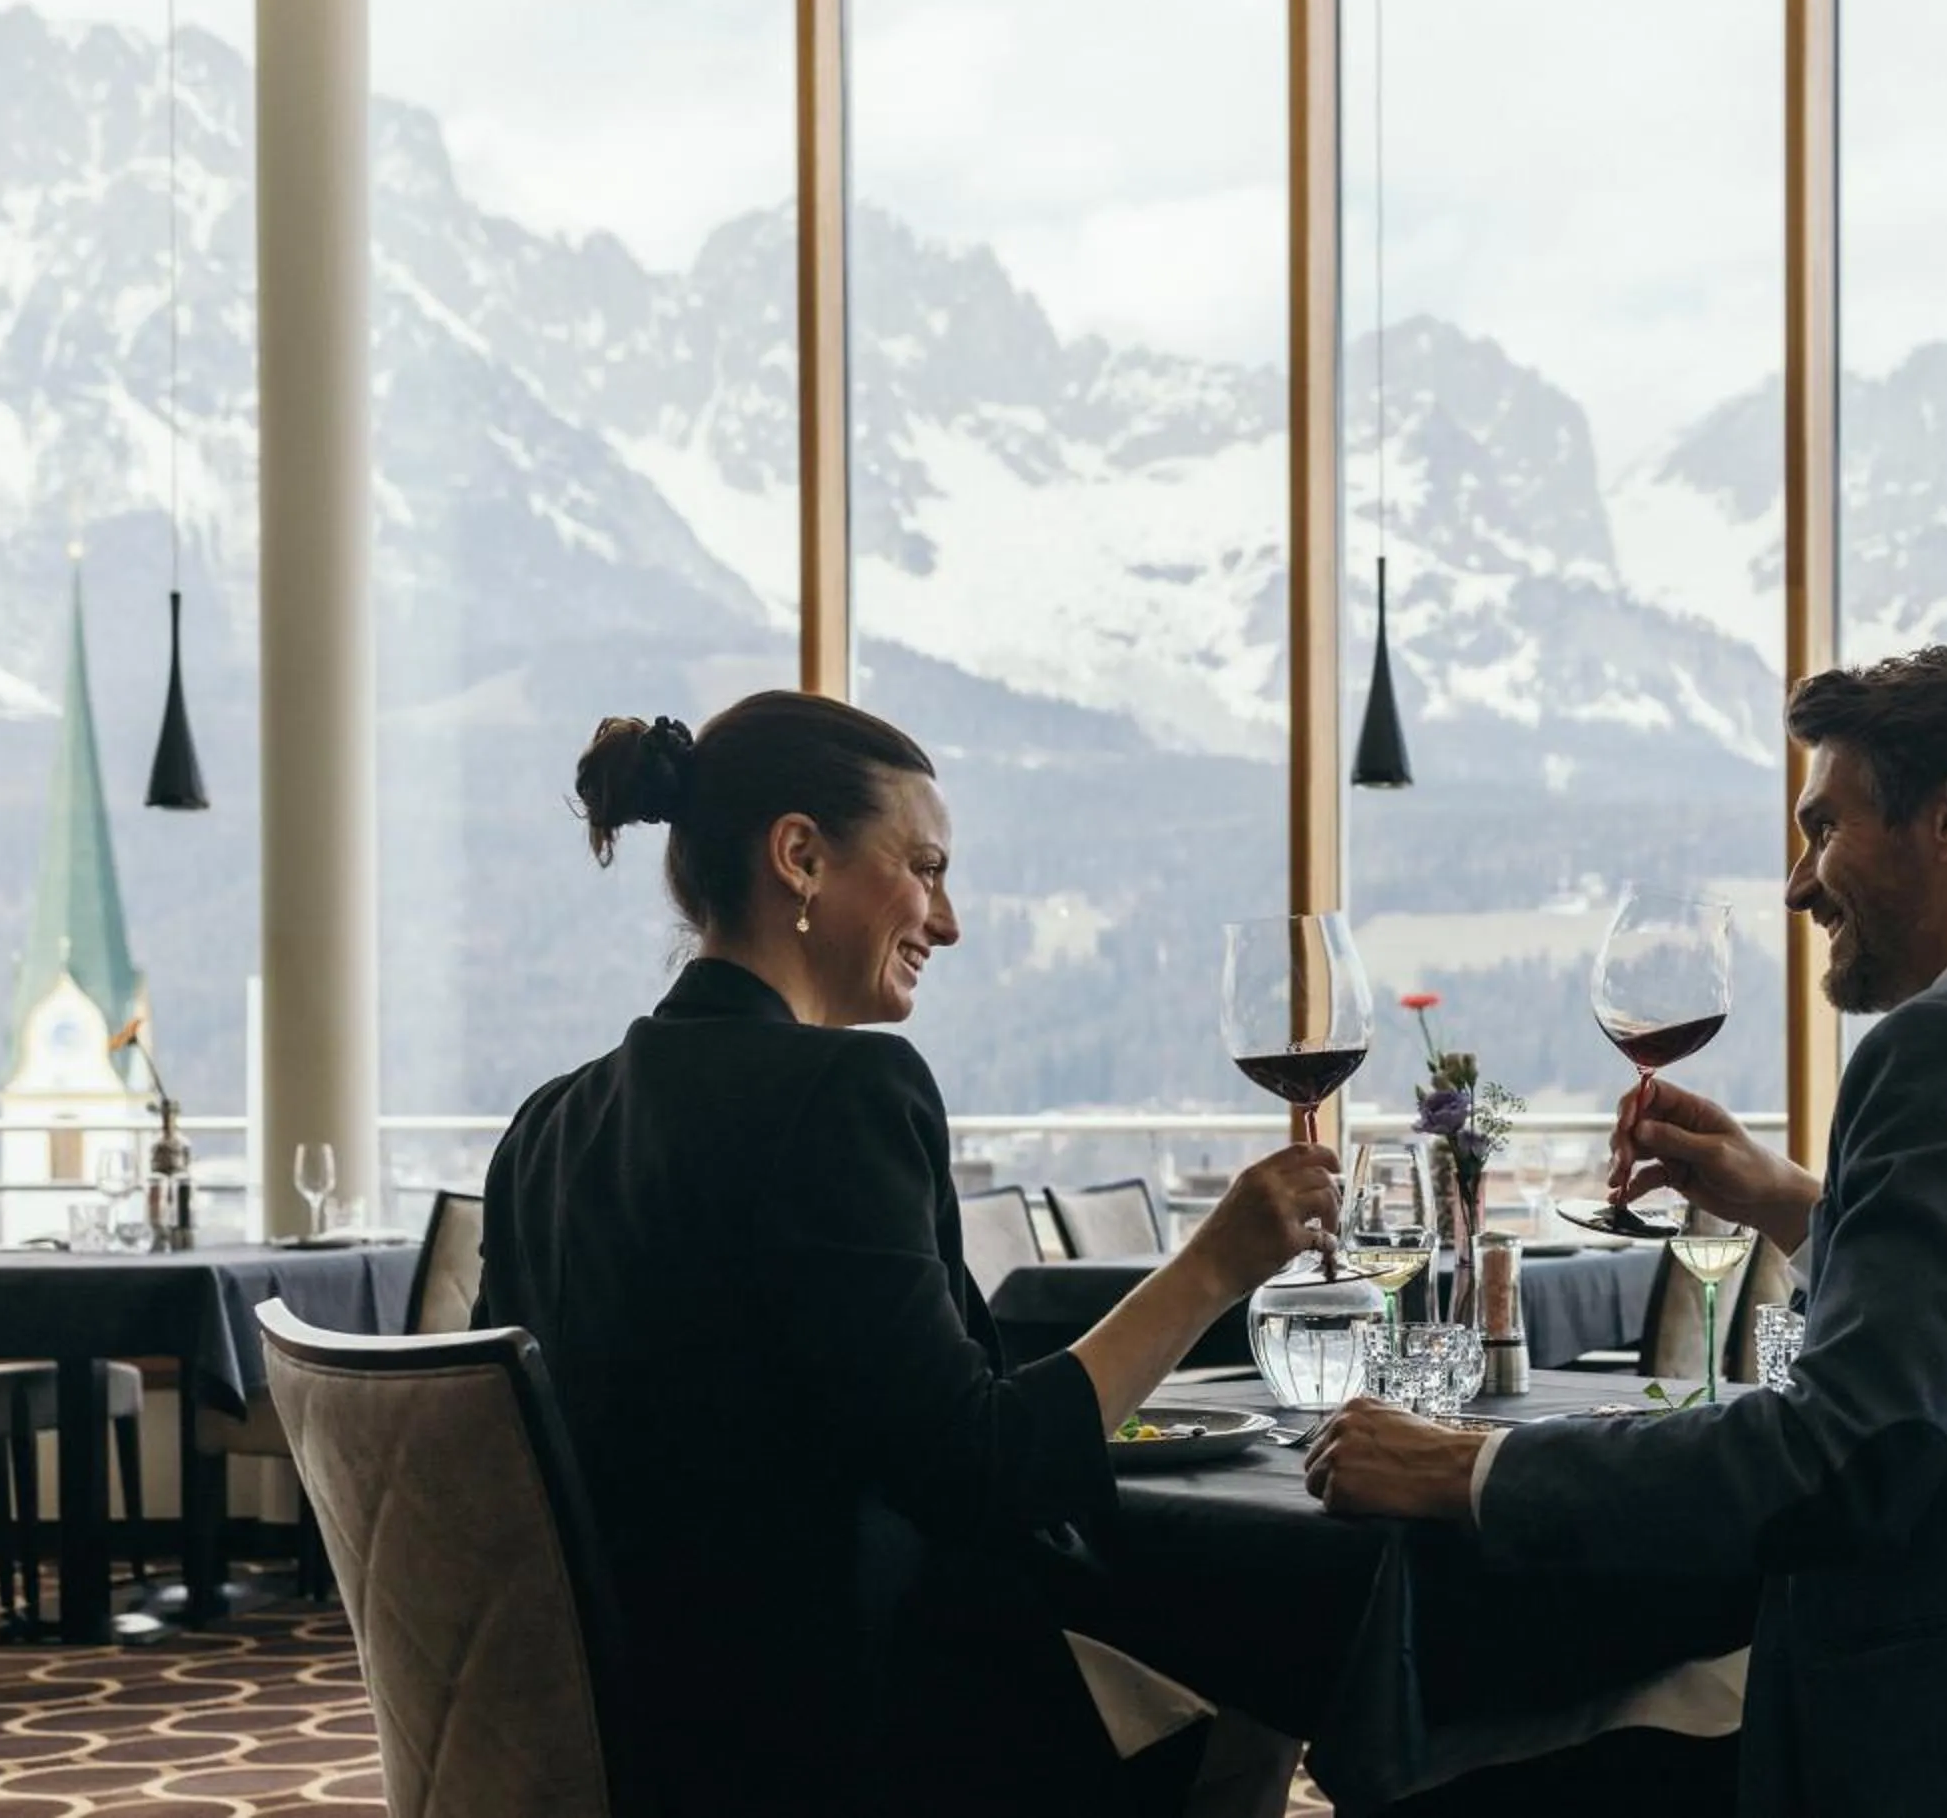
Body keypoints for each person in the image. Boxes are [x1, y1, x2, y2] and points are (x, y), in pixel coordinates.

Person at [1302, 644, 1947, 1818]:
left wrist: (1470, 1464)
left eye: (1824, 828)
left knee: (1435, 1759)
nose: (1798, 885)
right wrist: (1788, 1202)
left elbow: (1845, 1459)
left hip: (1941, 1747)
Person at [474, 691, 1339, 1817]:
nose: (949, 917)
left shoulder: (547, 1125)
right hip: (848, 1740)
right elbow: (986, 1470)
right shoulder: (845, 1094)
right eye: (924, 867)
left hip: (628, 1734)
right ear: (800, 856)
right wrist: (1216, 1265)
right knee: (1270, 1673)